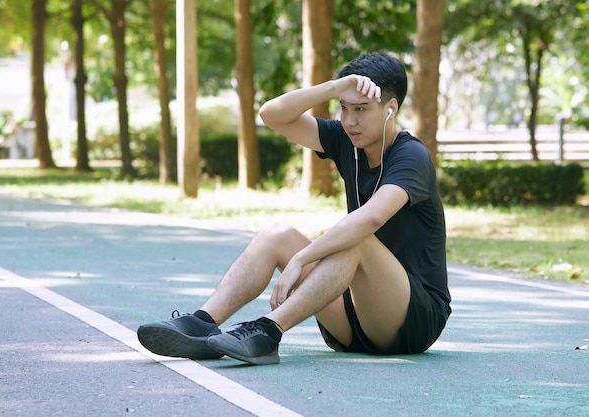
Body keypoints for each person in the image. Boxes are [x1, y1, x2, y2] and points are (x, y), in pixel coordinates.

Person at [137, 51, 451, 365]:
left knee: (357, 240)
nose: (349, 120)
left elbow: (372, 216)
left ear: (390, 109)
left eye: (361, 109)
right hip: (355, 319)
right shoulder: (347, 140)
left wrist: (302, 258)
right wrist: (332, 88)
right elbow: (272, 115)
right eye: (343, 108)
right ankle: (202, 323)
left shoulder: (411, 156)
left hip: (412, 320)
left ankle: (268, 330)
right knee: (276, 234)